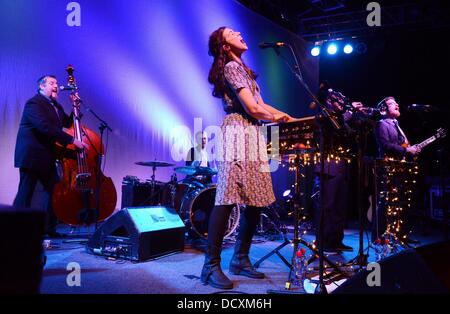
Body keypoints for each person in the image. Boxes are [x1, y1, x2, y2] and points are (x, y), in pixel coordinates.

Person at [202, 26, 294, 289]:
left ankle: (240, 258)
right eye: (232, 33)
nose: (240, 33)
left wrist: (291, 117)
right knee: (228, 197)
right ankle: (210, 267)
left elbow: (262, 106)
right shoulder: (231, 67)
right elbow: (253, 109)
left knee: (256, 199)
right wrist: (279, 118)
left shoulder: (244, 71)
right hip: (237, 131)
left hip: (252, 132)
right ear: (225, 46)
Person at [13, 75, 87, 237]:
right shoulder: (34, 103)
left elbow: (68, 124)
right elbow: (44, 127)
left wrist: (76, 108)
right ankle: (16, 229)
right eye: (52, 83)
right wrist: (72, 140)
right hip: (31, 156)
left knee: (54, 193)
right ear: (41, 87)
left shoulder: (56, 106)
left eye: (57, 83)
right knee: (25, 193)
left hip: (47, 157)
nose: (56, 86)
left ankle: (49, 229)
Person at [313, 82, 366, 253]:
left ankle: (336, 240)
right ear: (328, 101)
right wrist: (348, 115)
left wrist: (358, 120)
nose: (341, 104)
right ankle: (324, 242)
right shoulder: (324, 115)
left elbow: (349, 134)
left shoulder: (340, 117)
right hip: (328, 164)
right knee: (328, 205)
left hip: (341, 164)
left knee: (340, 205)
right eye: (337, 101)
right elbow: (333, 130)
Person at [372, 96, 421, 242]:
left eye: (396, 103)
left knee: (403, 202)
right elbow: (386, 145)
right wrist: (407, 151)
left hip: (401, 168)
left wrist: (412, 149)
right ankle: (378, 236)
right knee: (385, 201)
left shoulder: (396, 124)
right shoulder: (382, 124)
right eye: (392, 104)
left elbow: (403, 145)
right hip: (388, 168)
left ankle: (401, 235)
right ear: (383, 110)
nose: (397, 105)